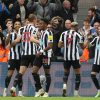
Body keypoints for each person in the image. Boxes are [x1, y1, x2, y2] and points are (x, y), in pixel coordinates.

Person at [9, 14, 38, 97]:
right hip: (32, 53)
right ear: (34, 20)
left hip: (24, 54)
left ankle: (14, 87)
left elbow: (17, 40)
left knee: (21, 72)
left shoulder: (21, 29)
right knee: (35, 72)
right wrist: (41, 43)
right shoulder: (34, 28)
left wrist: (10, 45)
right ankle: (37, 92)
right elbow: (32, 39)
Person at [58, 22, 84, 97]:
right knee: (78, 74)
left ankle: (64, 85)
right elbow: (82, 46)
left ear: (70, 26)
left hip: (66, 57)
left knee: (66, 73)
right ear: (76, 27)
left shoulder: (63, 34)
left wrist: (65, 44)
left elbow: (59, 45)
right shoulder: (78, 34)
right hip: (75, 57)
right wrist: (86, 42)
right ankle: (76, 93)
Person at [31, 18, 53, 97]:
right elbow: (42, 43)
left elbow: (50, 45)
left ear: (46, 25)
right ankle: (40, 89)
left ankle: (46, 92)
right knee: (34, 71)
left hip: (46, 55)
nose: (39, 25)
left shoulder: (49, 33)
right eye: (39, 24)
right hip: (40, 55)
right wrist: (38, 47)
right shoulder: (41, 33)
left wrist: (42, 51)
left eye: (41, 24)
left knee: (47, 73)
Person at [3, 20, 22, 97]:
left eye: (19, 24)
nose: (17, 25)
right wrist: (9, 34)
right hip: (13, 57)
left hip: (21, 57)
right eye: (16, 24)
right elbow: (6, 43)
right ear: (14, 26)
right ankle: (5, 90)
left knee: (19, 75)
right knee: (9, 75)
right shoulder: (11, 34)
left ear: (21, 25)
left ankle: (20, 92)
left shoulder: (23, 34)